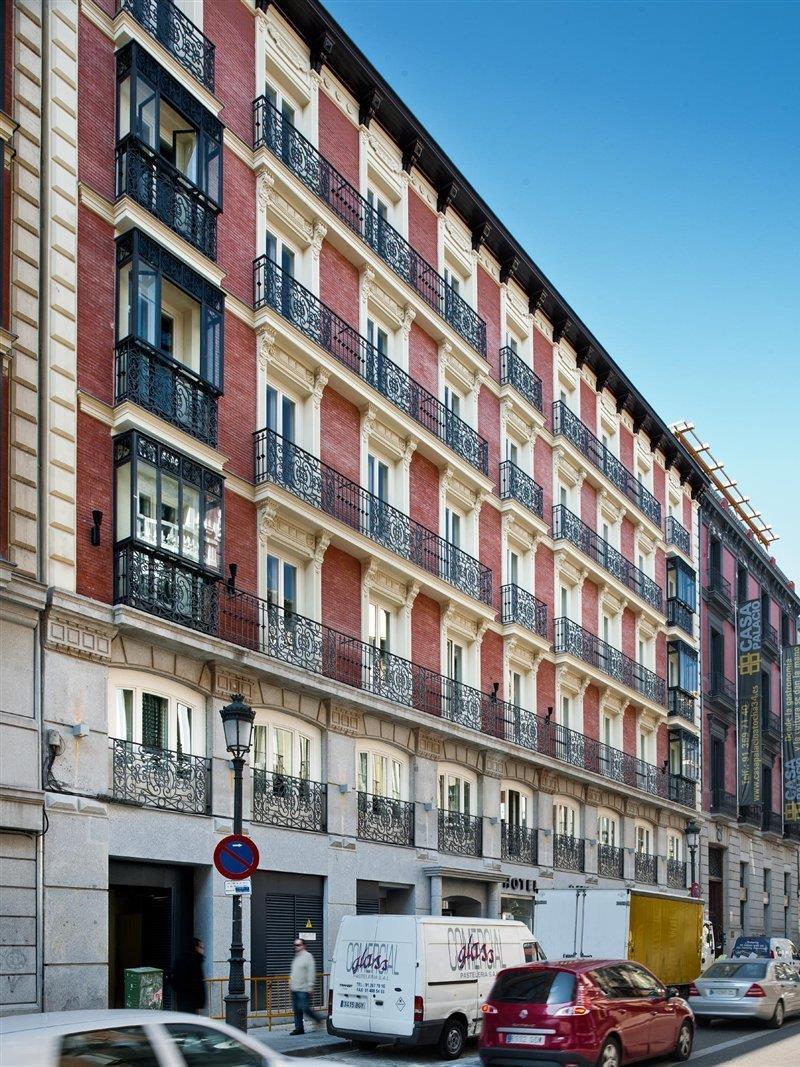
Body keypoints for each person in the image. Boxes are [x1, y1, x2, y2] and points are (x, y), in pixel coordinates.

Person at [289, 937, 322, 1034]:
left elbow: (311, 972)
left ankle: (317, 1019)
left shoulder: (308, 956)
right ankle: (299, 1028)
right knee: (296, 1009)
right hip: (295, 988)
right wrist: (291, 984)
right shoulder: (297, 957)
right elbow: (294, 972)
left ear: (303, 946)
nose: (296, 947)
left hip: (304, 988)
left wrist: (311, 986)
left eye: (298, 945)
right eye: (295, 945)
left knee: (304, 1007)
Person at [171, 937, 206, 1014]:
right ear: (196, 948)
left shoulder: (182, 959)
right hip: (190, 1002)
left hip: (183, 1000)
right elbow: (197, 983)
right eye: (201, 947)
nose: (203, 950)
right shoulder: (194, 961)